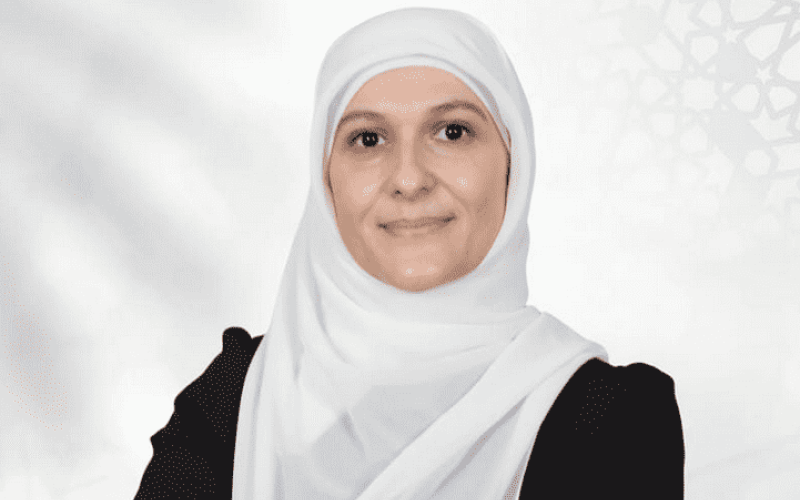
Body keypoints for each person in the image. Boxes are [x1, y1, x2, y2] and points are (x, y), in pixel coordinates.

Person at [134, 7, 684, 500]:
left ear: (513, 163)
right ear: (326, 181)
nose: (409, 178)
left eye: (452, 132)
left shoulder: (610, 418)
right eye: (368, 139)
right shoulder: (237, 397)